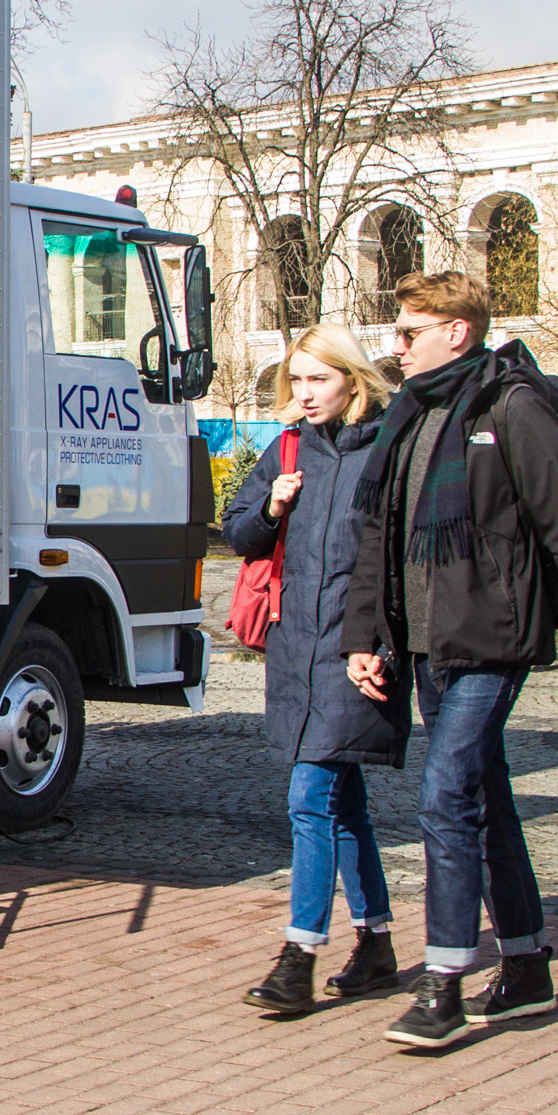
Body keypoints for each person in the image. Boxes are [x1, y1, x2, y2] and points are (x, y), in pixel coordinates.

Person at [342, 271, 558, 1050]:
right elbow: (380, 539)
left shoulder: (512, 407)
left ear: (457, 331)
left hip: (494, 637)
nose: (396, 347)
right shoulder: (410, 416)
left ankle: (444, 982)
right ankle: (529, 962)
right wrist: (363, 638)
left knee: (445, 793)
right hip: (429, 643)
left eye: (410, 332)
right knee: (484, 792)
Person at [225, 325, 410, 1015]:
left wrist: (384, 646)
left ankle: (299, 954)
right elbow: (238, 529)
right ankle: (377, 944)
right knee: (345, 804)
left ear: (353, 381)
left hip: (358, 652)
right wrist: (273, 504)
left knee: (311, 796)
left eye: (317, 379)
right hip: (297, 649)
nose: (304, 393)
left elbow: (397, 563)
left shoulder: (388, 452)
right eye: (296, 380)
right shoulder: (291, 445)